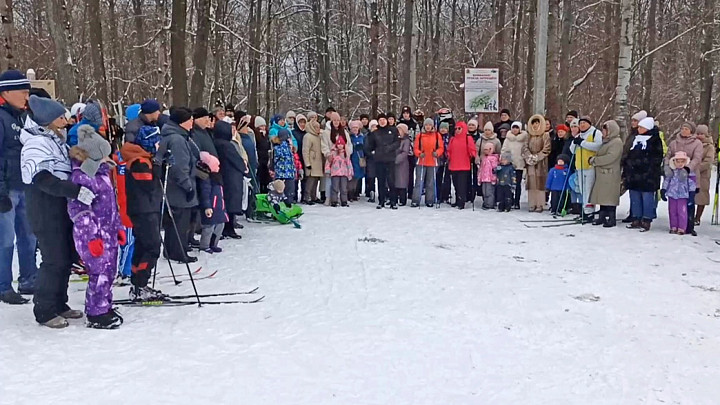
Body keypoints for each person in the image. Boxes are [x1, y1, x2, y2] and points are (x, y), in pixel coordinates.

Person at [21, 95, 91, 328]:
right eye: (61, 117)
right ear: (48, 120)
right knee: (54, 259)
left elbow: (69, 163)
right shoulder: (36, 143)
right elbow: (42, 178)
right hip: (44, 206)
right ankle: (44, 309)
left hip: (61, 205)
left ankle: (60, 302)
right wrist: (75, 191)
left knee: (65, 257)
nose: (66, 120)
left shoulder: (55, 139)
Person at [67, 125, 124, 329]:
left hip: (108, 231)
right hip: (93, 234)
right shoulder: (82, 177)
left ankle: (105, 305)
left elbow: (111, 205)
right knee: (98, 271)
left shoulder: (102, 174)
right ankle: (96, 312)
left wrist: (118, 227)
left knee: (109, 270)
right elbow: (80, 210)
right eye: (102, 156)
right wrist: (91, 237)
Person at [0, 70, 37, 304]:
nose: (27, 96)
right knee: (5, 239)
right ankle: (4, 285)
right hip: (7, 189)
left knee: (29, 236)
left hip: (25, 186)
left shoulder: (23, 117)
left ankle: (29, 279)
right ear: (6, 92)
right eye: (23, 91)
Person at [120, 125, 165, 301]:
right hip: (144, 209)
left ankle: (139, 284)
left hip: (145, 208)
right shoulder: (140, 161)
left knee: (144, 246)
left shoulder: (143, 158)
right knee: (152, 246)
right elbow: (147, 184)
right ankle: (140, 284)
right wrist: (158, 167)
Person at [157, 107, 199, 263]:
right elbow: (180, 167)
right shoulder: (177, 140)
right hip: (178, 189)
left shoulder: (175, 136)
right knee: (179, 222)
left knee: (175, 221)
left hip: (173, 188)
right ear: (182, 122)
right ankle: (177, 252)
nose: (192, 123)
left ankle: (171, 250)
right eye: (190, 120)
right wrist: (188, 186)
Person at [623, 117, 664, 232]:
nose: (639, 129)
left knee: (647, 197)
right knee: (635, 196)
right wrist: (629, 163)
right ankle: (636, 217)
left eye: (641, 127)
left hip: (648, 174)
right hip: (634, 173)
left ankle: (647, 219)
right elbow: (630, 153)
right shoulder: (636, 138)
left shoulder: (655, 140)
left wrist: (643, 163)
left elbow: (656, 157)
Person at [213, 120, 246, 239]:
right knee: (231, 203)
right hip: (231, 176)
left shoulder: (216, 142)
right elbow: (237, 160)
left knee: (226, 202)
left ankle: (226, 228)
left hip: (224, 175)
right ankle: (228, 228)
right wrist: (243, 167)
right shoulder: (227, 145)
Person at [589, 120, 623, 227]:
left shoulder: (616, 142)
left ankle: (611, 217)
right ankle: (602, 215)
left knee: (610, 197)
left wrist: (595, 161)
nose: (603, 132)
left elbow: (611, 157)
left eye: (605, 130)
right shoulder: (607, 141)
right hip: (603, 174)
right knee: (603, 196)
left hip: (610, 173)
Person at [569, 116, 603, 221]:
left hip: (590, 166)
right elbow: (573, 150)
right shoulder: (579, 135)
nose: (582, 125)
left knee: (588, 190)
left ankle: (589, 212)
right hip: (580, 166)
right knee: (582, 190)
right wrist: (575, 142)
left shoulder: (595, 133)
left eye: (584, 123)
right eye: (581, 123)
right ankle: (584, 210)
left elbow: (598, 146)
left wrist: (582, 143)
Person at [365, 113, 399, 209]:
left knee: (391, 181)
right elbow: (370, 145)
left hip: (390, 159)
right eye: (380, 120)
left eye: (384, 119)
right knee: (381, 181)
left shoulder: (393, 130)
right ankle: (381, 201)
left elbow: (397, 142)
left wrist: (390, 148)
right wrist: (373, 153)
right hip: (379, 160)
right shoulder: (375, 132)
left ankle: (393, 201)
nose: (382, 122)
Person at [195, 152, 227, 253]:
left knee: (220, 225)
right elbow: (205, 194)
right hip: (211, 207)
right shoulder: (206, 179)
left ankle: (213, 244)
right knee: (209, 227)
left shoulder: (217, 178)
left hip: (219, 206)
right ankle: (204, 246)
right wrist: (207, 207)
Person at [661, 151, 697, 235]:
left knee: (682, 212)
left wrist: (692, 193)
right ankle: (673, 226)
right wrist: (663, 189)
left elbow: (692, 183)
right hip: (672, 194)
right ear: (674, 162)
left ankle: (682, 228)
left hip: (683, 195)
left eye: (682, 161)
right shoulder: (672, 172)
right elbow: (667, 181)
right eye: (678, 161)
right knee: (672, 211)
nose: (680, 164)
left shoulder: (688, 173)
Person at [522, 115, 551, 213]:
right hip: (530, 162)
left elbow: (547, 149)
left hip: (541, 163)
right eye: (533, 123)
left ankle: (540, 204)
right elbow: (525, 147)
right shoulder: (528, 135)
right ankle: (532, 203)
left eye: (537, 123)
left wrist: (537, 157)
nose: (535, 125)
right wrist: (529, 156)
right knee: (532, 183)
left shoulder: (545, 135)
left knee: (540, 183)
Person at [321, 112, 352, 205]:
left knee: (342, 182)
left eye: (338, 120)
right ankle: (329, 197)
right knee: (330, 180)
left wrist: (347, 153)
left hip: (343, 158)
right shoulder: (326, 133)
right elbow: (324, 145)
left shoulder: (344, 132)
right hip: (332, 158)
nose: (336, 122)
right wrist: (328, 154)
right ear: (331, 121)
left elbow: (349, 144)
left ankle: (342, 199)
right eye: (334, 120)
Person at [412, 118, 444, 207]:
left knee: (430, 182)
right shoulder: (420, 135)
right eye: (426, 125)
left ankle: (430, 200)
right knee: (419, 181)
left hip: (433, 161)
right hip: (421, 161)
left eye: (430, 125)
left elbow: (441, 148)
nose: (428, 127)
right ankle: (416, 200)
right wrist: (419, 153)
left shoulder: (437, 135)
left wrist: (437, 153)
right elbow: (415, 148)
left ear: (432, 126)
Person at [446, 121, 476, 209]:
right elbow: (449, 150)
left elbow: (472, 149)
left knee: (461, 185)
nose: (457, 130)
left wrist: (472, 155)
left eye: (459, 128)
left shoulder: (468, 138)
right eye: (456, 128)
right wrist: (448, 155)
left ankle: (461, 201)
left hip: (464, 165)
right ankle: (458, 199)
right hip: (453, 165)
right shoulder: (453, 139)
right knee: (455, 184)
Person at [500, 121, 527, 210]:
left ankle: (517, 202)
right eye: (513, 128)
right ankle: (509, 200)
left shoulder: (524, 138)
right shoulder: (508, 139)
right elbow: (504, 150)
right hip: (509, 165)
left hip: (519, 164)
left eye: (517, 128)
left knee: (518, 184)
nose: (515, 129)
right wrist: (504, 160)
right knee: (508, 184)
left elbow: (526, 149)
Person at [694, 125, 715, 225]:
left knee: (701, 196)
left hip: (703, 174)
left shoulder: (709, 146)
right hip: (692, 173)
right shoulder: (693, 143)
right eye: (698, 134)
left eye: (701, 134)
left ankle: (698, 217)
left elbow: (708, 161)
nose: (699, 136)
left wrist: (697, 167)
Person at [325, 135, 353, 207]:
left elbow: (349, 163)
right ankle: (334, 201)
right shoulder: (333, 153)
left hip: (344, 173)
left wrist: (350, 172)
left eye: (341, 144)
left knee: (344, 188)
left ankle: (344, 200)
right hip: (335, 173)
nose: (340, 146)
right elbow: (328, 163)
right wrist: (327, 171)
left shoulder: (346, 153)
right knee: (335, 187)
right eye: (339, 144)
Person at [272, 128, 297, 202]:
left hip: (287, 173)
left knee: (288, 191)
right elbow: (282, 156)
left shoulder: (287, 147)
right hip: (283, 173)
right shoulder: (282, 147)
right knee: (285, 191)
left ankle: (287, 202)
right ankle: (285, 203)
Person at [302, 120, 323, 204]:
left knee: (315, 180)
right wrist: (307, 163)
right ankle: (307, 197)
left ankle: (313, 196)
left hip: (318, 161)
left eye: (318, 127)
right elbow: (305, 151)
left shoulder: (318, 136)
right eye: (316, 127)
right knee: (310, 181)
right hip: (312, 161)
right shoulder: (308, 136)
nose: (318, 129)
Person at [478, 142, 499, 210]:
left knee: (490, 192)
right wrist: (479, 178)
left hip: (490, 179)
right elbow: (481, 169)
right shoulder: (484, 158)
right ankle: (486, 202)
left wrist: (494, 178)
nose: (485, 151)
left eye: (486, 149)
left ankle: (490, 204)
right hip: (484, 178)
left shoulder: (494, 159)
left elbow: (494, 170)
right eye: (484, 150)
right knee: (484, 192)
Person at [349, 120, 366, 201]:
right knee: (351, 177)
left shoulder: (362, 137)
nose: (355, 129)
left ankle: (355, 192)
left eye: (356, 127)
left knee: (357, 177)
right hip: (352, 159)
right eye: (353, 128)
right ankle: (350, 193)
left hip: (360, 159)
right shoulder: (349, 137)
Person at [254, 116, 271, 193]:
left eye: (264, 126)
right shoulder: (256, 136)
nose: (263, 128)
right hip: (260, 160)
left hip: (266, 160)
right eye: (261, 126)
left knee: (266, 180)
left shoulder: (267, 136)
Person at [292, 114, 308, 198]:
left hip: (305, 157)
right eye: (300, 122)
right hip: (296, 157)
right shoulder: (293, 133)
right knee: (295, 178)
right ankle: (294, 195)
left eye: (304, 122)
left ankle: (304, 196)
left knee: (304, 178)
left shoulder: (307, 133)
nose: (302, 124)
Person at [364, 119, 378, 201]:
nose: (374, 128)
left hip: (380, 159)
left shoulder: (380, 135)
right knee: (371, 177)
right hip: (371, 159)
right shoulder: (367, 136)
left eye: (375, 126)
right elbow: (366, 148)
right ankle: (371, 192)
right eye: (372, 126)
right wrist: (370, 153)